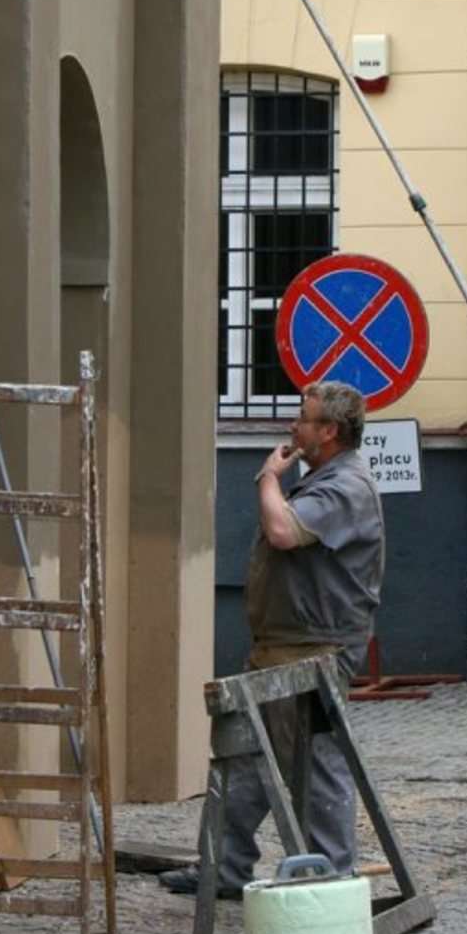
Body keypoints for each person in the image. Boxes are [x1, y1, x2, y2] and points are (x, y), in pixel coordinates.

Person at [161, 380, 384, 898]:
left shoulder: (346, 487)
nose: (293, 425)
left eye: (303, 418)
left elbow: (284, 532)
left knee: (315, 767)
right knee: (243, 761)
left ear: (328, 431)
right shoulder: (328, 479)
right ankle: (223, 869)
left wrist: (267, 477)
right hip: (281, 648)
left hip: (313, 653)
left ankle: (331, 880)